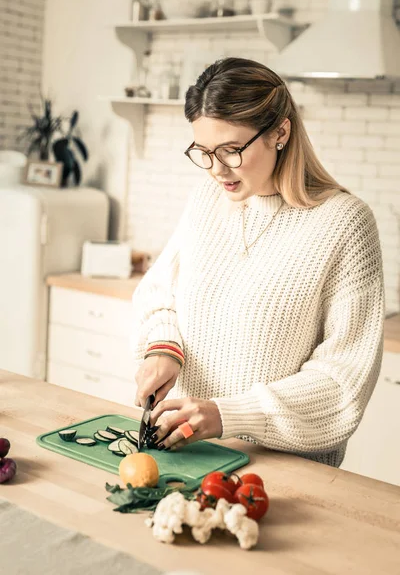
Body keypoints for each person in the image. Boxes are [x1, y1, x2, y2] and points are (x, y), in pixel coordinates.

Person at [130, 57, 385, 467]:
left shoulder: (344, 223)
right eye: (203, 151)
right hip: (186, 457)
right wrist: (164, 349)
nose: (215, 169)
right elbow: (158, 294)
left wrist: (228, 415)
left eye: (231, 150)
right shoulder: (206, 201)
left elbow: (343, 381)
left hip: (281, 472)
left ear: (280, 132)